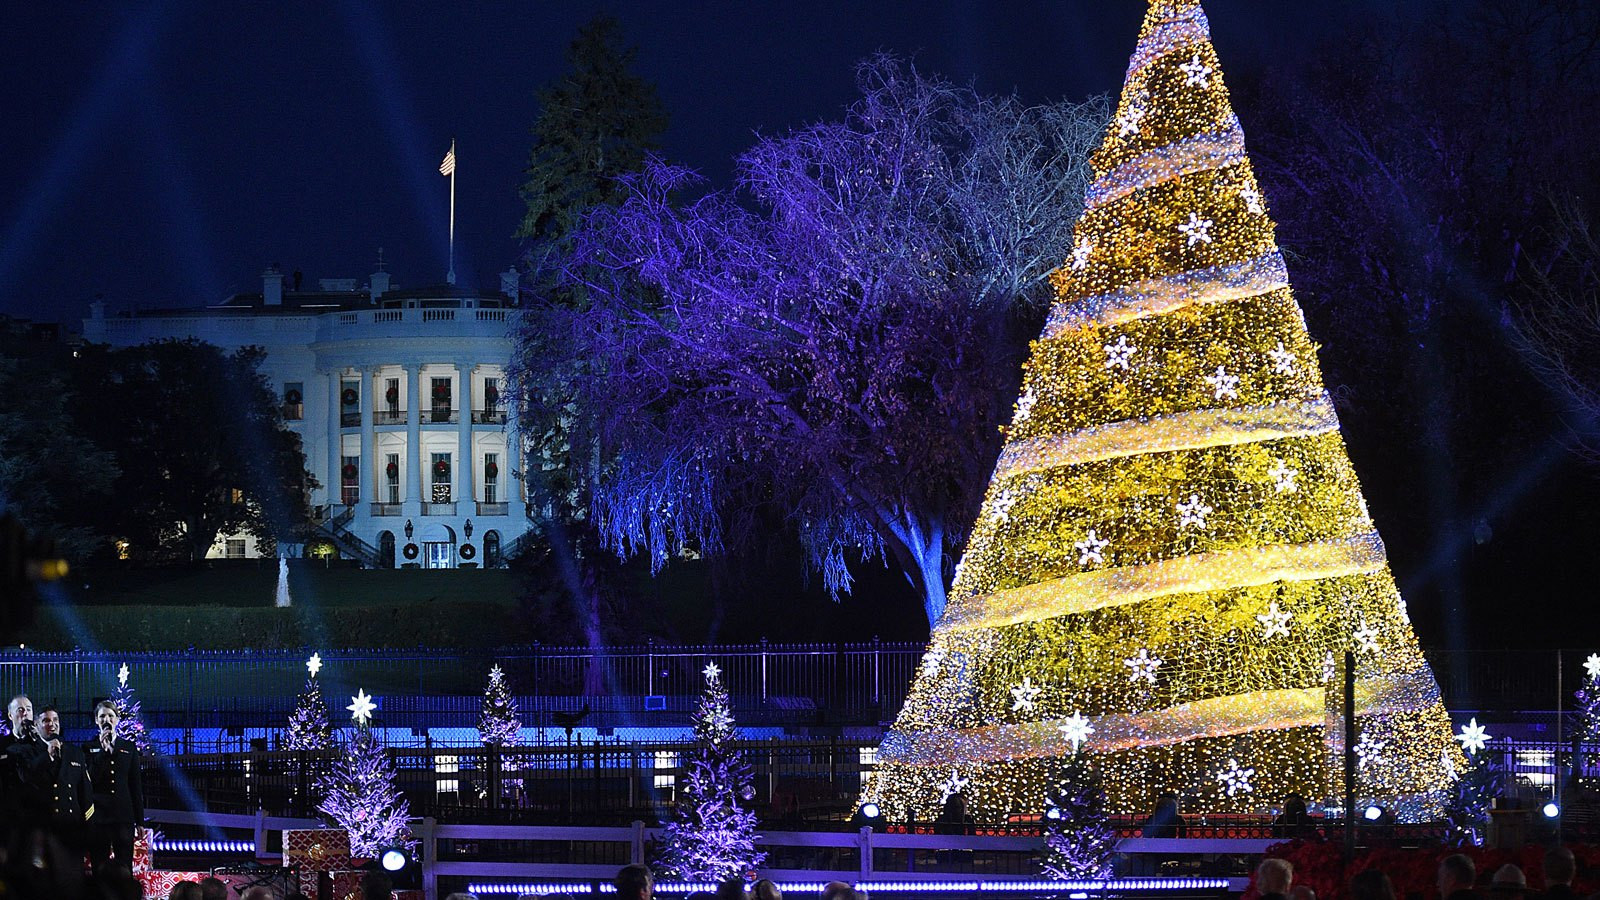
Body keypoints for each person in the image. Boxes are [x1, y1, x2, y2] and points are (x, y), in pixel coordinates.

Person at [84, 699, 144, 872]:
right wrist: (103, 752)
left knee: (124, 864)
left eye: (111, 716)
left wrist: (139, 821)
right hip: (99, 816)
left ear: (117, 719)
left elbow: (135, 784)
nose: (106, 720)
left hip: (122, 816)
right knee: (99, 864)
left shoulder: (128, 747)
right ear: (96, 720)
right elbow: (89, 780)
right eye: (102, 716)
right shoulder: (88, 747)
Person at [36, 706, 93, 840]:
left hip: (72, 826)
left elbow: (85, 791)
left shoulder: (75, 752)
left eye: (55, 719)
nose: (52, 724)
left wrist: (87, 826)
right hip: (43, 829)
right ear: (36, 725)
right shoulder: (32, 751)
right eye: (46, 720)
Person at [0, 694, 51, 837]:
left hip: (37, 815)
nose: (25, 713)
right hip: (9, 817)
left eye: (28, 709)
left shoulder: (41, 744)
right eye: (20, 710)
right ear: (10, 715)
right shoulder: (2, 745)